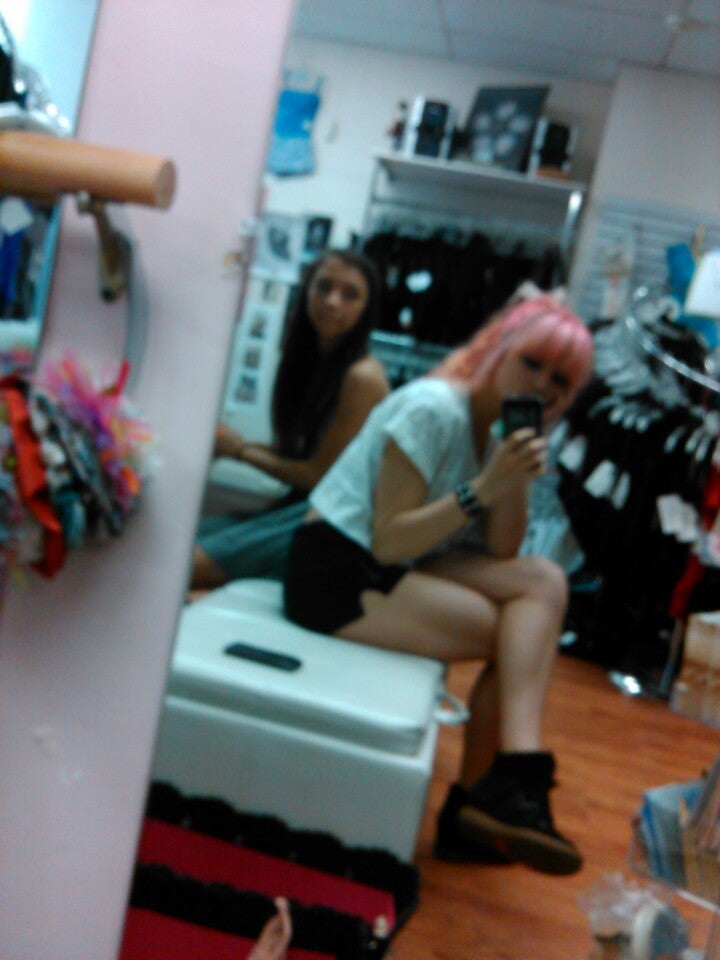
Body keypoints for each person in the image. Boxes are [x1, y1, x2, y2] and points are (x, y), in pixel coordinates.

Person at [282, 290, 594, 875]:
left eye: (561, 379)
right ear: (498, 350)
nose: (544, 385)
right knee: (514, 636)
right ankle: (485, 800)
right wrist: (486, 486)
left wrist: (512, 474)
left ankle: (512, 777)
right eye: (532, 363)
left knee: (544, 582)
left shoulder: (500, 430)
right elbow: (388, 539)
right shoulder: (433, 410)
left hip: (409, 559)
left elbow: (503, 549)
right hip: (339, 566)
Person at [192, 249, 389, 589]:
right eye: (323, 287)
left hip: (331, 524)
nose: (332, 301)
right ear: (307, 291)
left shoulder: (363, 377)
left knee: (188, 561)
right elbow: (299, 454)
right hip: (301, 507)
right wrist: (234, 445)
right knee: (188, 539)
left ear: (366, 308)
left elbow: (318, 475)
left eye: (350, 294)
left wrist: (239, 450)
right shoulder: (313, 362)